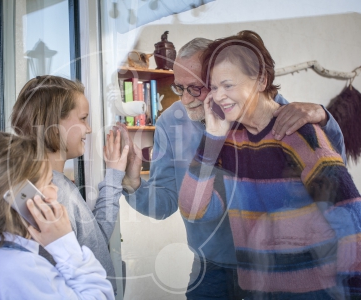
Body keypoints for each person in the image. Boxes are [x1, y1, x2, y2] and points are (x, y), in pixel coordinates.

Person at [118, 37, 346, 299]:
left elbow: (333, 172)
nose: (185, 100)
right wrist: (133, 182)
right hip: (211, 267)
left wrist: (324, 118)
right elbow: (165, 204)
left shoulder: (269, 112)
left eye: (196, 88)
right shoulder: (171, 123)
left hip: (274, 264)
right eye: (179, 87)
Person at [179, 30, 361, 299]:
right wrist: (213, 137)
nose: (218, 96)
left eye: (228, 85)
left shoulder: (299, 133)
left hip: (316, 292)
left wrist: (354, 292)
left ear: (261, 80)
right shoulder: (229, 140)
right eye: (214, 87)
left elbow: (350, 217)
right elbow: (194, 210)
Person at [0, 132, 114, 299]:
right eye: (49, 182)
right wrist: (65, 245)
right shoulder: (19, 269)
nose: (56, 189)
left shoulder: (1, 260)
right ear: (22, 198)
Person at [11, 75, 128, 291]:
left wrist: (113, 174)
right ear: (54, 125)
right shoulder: (51, 193)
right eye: (83, 118)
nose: (89, 129)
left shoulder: (58, 183)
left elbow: (94, 243)